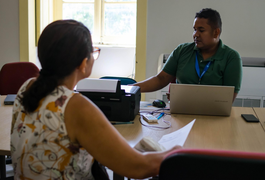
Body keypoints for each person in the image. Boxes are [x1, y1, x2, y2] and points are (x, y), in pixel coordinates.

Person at [10, 20, 181, 180]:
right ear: (83, 64)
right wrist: (175, 153)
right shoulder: (76, 106)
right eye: (93, 52)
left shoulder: (27, 87)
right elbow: (137, 167)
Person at [134, 8, 242, 102]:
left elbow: (228, 98)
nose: (195, 34)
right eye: (195, 30)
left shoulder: (231, 58)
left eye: (201, 30)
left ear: (216, 32)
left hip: (213, 116)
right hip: (180, 112)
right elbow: (161, 79)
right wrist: (130, 88)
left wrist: (191, 100)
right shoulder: (182, 50)